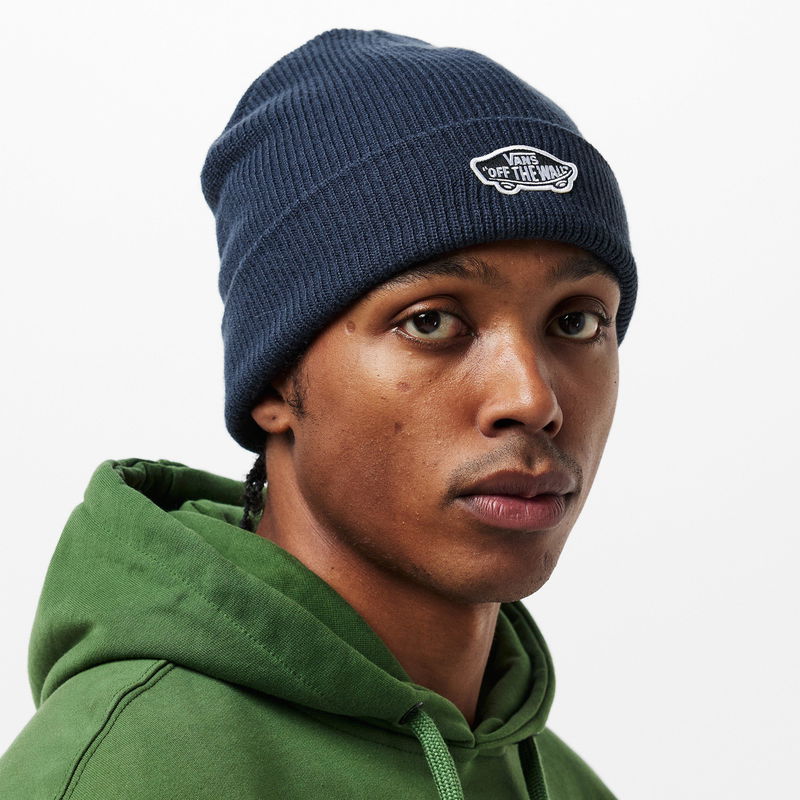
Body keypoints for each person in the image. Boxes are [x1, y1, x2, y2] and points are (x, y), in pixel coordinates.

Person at [0, 28, 637, 799]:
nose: (532, 398)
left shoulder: (561, 784)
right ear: (274, 382)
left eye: (576, 321)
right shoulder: (125, 774)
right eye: (431, 321)